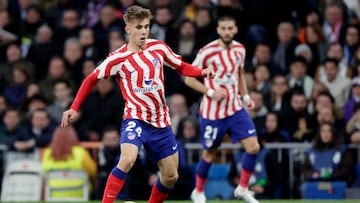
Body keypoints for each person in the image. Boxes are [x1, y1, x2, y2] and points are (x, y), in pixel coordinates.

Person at [60, 5, 214, 203]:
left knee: (171, 176)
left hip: (161, 122)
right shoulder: (118, 58)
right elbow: (91, 79)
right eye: (139, 27)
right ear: (128, 30)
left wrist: (201, 72)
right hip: (136, 117)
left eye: (146, 26)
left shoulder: (159, 47)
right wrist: (74, 107)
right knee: (127, 159)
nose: (143, 31)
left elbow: (181, 66)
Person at [184, 15, 260, 203]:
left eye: (230, 28)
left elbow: (240, 74)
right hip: (212, 113)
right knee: (210, 153)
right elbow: (189, 78)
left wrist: (246, 96)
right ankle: (199, 191)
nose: (227, 32)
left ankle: (242, 188)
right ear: (218, 30)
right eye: (223, 28)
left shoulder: (240, 50)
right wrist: (210, 91)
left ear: (235, 30)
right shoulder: (207, 52)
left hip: (235, 108)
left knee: (253, 147)